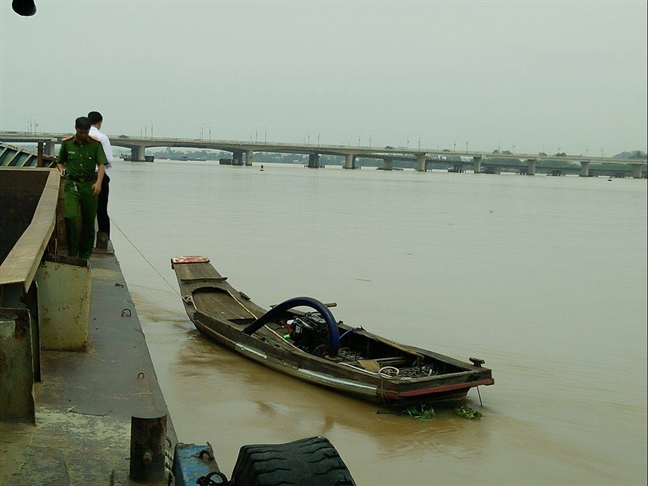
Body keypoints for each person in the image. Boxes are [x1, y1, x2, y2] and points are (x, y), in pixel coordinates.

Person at [57, 116, 107, 260]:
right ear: (76, 129)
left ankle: (85, 254)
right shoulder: (67, 144)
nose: (83, 135)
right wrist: (62, 170)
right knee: (70, 216)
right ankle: (72, 251)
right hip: (72, 185)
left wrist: (98, 183)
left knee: (89, 220)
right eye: (80, 132)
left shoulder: (95, 145)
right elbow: (60, 162)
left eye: (85, 132)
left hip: (89, 186)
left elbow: (102, 164)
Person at [88, 110, 113, 249]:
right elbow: (108, 160)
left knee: (84, 208)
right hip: (99, 176)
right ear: (100, 123)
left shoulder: (80, 137)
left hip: (82, 177)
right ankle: (103, 238)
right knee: (101, 209)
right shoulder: (102, 138)